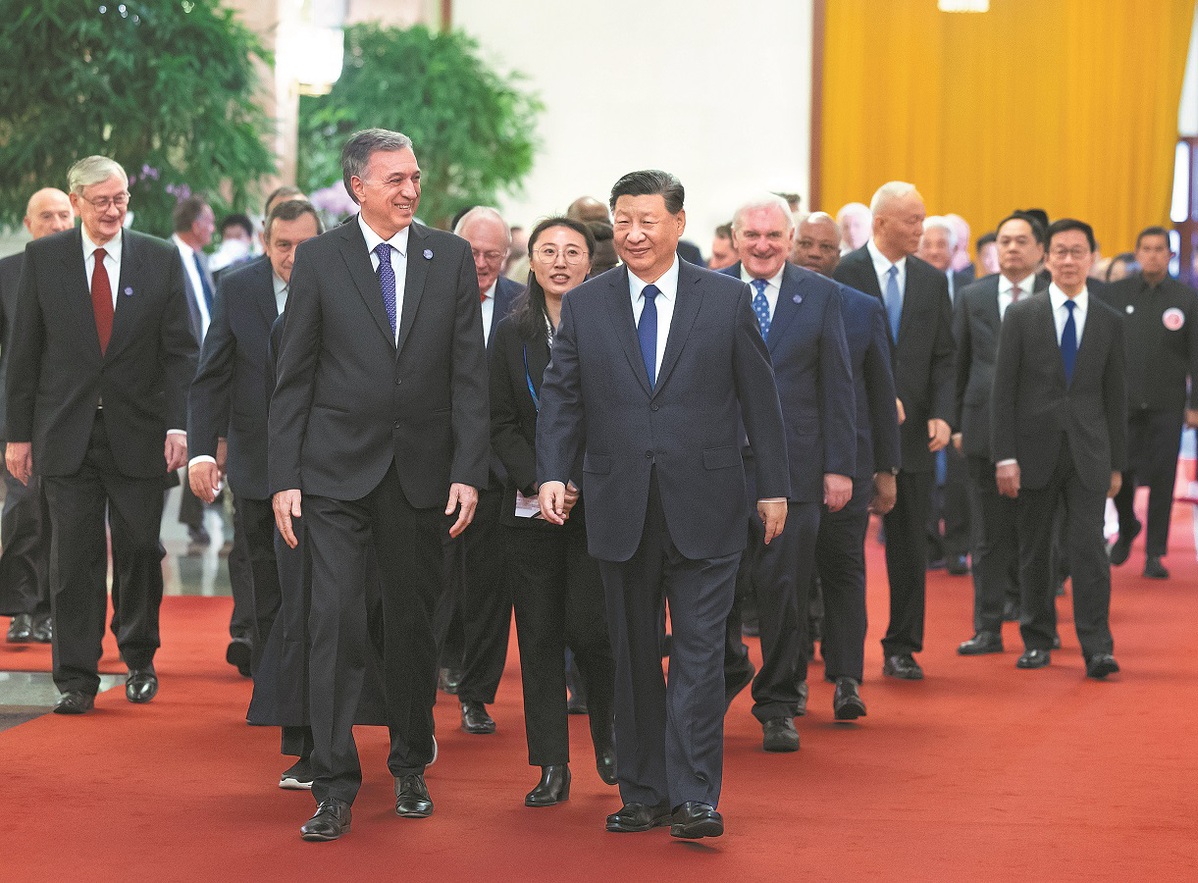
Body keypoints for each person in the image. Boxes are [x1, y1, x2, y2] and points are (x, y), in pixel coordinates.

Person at [536, 169, 789, 839]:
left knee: (701, 654)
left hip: (708, 502)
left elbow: (761, 398)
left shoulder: (726, 298)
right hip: (619, 503)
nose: (634, 233)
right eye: (623, 220)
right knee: (631, 654)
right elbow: (562, 395)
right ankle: (643, 790)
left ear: (677, 223)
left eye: (647, 220)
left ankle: (695, 795)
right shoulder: (587, 304)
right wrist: (553, 471)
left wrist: (773, 486)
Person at [269, 129, 488, 842]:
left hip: (421, 475)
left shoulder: (449, 256)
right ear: (357, 186)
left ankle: (411, 761)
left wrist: (468, 469)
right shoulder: (320, 259)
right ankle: (333, 783)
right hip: (333, 475)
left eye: (415, 177)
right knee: (333, 621)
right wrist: (283, 476)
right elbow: (293, 374)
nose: (410, 190)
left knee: (412, 627)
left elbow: (468, 374)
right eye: (395, 179)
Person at [6, 155, 198, 714]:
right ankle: (76, 676)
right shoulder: (44, 260)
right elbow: (24, 354)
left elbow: (181, 351)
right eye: (101, 201)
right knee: (72, 559)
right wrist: (17, 436)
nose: (113, 210)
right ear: (77, 202)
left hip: (139, 434)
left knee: (140, 549)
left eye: (120, 200)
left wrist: (180, 424)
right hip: (65, 433)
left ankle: (139, 657)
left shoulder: (158, 258)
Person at [189, 199, 329, 787]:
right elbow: (212, 374)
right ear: (265, 243)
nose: (293, 257)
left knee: (319, 599)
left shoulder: (344, 283)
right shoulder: (238, 287)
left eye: (304, 245)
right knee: (269, 598)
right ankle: (288, 717)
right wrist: (202, 451)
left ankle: (319, 726)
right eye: (282, 246)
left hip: (328, 470)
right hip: (256, 469)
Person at [490, 216, 617, 806]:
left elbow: (618, 416)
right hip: (529, 506)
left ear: (591, 262)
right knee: (538, 635)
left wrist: (575, 481)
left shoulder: (611, 326)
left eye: (572, 251)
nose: (560, 262)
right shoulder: (510, 332)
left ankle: (610, 740)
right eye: (548, 251)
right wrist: (540, 481)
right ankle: (550, 764)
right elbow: (500, 422)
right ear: (531, 262)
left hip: (595, 503)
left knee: (593, 629)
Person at [721, 195, 854, 753]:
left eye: (773, 235)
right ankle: (728, 670)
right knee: (718, 589)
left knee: (785, 591)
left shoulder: (820, 295)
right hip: (721, 468)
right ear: (734, 237)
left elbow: (837, 386)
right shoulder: (708, 291)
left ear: (791, 239)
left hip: (797, 470)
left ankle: (778, 702)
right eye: (751, 235)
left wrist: (839, 467)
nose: (762, 245)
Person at [992, 218, 1125, 679]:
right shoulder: (1021, 315)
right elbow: (1003, 392)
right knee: (1034, 550)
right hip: (1033, 451)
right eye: (1060, 252)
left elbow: (1116, 397)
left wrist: (1117, 464)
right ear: (1046, 259)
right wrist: (1005, 456)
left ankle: (1098, 646)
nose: (1069, 260)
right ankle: (1037, 638)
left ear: (1093, 258)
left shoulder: (1109, 320)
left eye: (1078, 252)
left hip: (1090, 452)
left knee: (1089, 550)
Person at [833, 182, 955, 680]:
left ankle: (902, 646)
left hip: (915, 435)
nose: (921, 229)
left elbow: (944, 356)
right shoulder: (844, 272)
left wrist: (943, 413)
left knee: (910, 547)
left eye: (922, 218)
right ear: (881, 223)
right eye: (912, 220)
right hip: (858, 432)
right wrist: (876, 402)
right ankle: (839, 648)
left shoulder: (931, 280)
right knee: (844, 551)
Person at [793, 212, 900, 719]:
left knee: (845, 572)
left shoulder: (861, 307)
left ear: (840, 255)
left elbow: (881, 393)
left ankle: (848, 679)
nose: (815, 255)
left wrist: (887, 470)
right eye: (807, 244)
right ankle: (790, 681)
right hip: (787, 467)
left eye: (826, 248)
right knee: (789, 577)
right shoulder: (759, 303)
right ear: (792, 245)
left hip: (850, 463)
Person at [953, 212, 1047, 656]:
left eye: (1021, 241)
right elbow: (958, 364)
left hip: (1040, 430)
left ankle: (1037, 629)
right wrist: (954, 422)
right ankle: (988, 627)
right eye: (1005, 240)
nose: (1011, 248)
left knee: (1037, 537)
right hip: (981, 427)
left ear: (1040, 251)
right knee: (987, 537)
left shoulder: (1054, 295)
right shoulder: (972, 295)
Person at [443, 206, 522, 735]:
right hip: (434, 463)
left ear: (507, 257)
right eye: (472, 252)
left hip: (498, 470)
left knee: (492, 589)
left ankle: (476, 693)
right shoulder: (429, 293)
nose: (481, 263)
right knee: (435, 582)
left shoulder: (521, 305)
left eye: (492, 254)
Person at [1102, 226, 1198, 579]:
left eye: (1160, 249)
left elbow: (1196, 355)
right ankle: (1128, 525)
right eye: (1146, 248)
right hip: (1123, 401)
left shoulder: (1187, 298)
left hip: (1167, 402)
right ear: (1137, 253)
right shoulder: (1116, 293)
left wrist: (1194, 404)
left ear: (1169, 255)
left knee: (1162, 477)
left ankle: (1155, 552)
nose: (1153, 255)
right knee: (1121, 469)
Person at [1, 188, 74, 645]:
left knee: (61, 517)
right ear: (28, 224)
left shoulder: (85, 270)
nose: (57, 223)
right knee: (23, 510)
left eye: (64, 214)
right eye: (47, 216)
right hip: (20, 418)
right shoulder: (7, 273)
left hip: (70, 413)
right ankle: (20, 606)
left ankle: (49, 609)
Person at [919, 215, 972, 574]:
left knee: (959, 474)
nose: (935, 251)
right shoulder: (912, 285)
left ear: (955, 250)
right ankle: (927, 545)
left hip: (962, 391)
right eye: (928, 244)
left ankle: (957, 547)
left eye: (942, 245)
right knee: (922, 473)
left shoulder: (971, 289)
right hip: (921, 393)